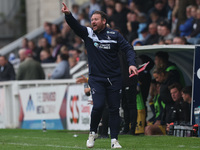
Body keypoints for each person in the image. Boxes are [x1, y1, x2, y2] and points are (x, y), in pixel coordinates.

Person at [62, 2, 138, 149]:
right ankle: (92, 133)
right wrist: (68, 15)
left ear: (104, 21)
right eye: (92, 19)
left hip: (115, 78)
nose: (93, 22)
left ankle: (114, 140)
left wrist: (132, 63)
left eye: (96, 19)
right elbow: (75, 26)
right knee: (98, 105)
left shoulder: (115, 35)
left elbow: (128, 49)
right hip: (96, 78)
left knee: (115, 109)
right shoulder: (88, 33)